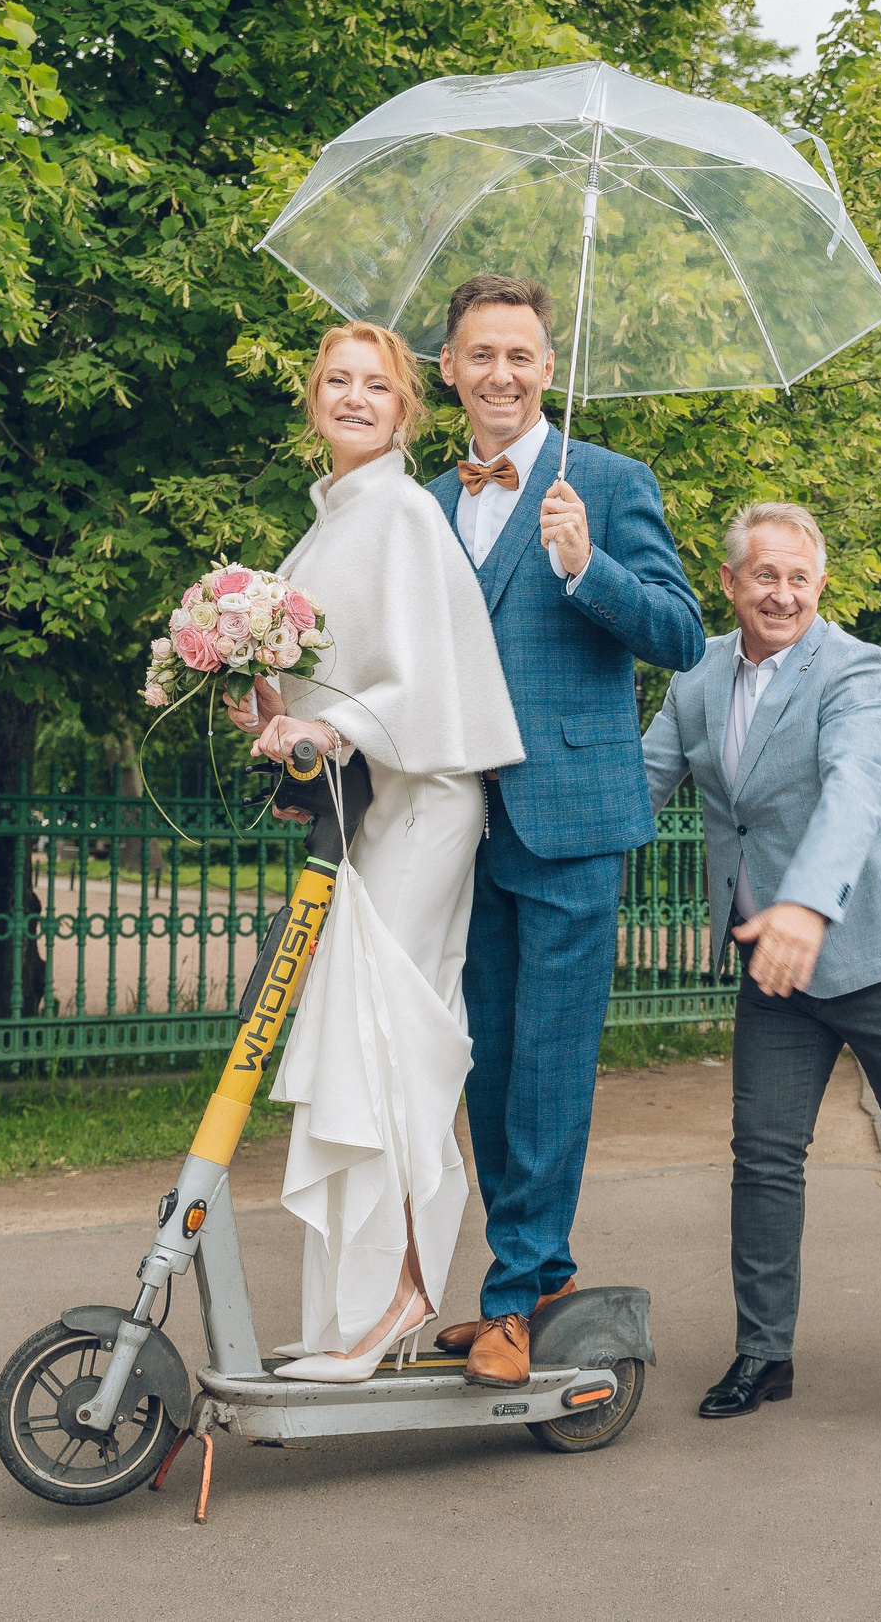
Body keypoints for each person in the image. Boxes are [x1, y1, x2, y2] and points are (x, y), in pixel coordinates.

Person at [645, 502, 881, 1435]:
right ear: (729, 583)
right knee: (764, 1159)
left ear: (820, 585)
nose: (784, 593)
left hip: (878, 939)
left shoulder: (855, 666)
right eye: (765, 575)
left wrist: (805, 906)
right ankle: (765, 1352)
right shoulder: (694, 679)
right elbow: (634, 787)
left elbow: (855, 788)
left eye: (800, 578)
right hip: (773, 959)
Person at [418, 274, 707, 1387]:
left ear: (550, 368)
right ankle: (532, 1280)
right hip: (456, 817)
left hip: (574, 818)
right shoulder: (429, 502)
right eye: (479, 355)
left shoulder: (610, 481)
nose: (501, 373)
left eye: (521, 356)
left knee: (547, 1064)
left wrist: (590, 567)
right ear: (449, 368)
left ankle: (513, 1292)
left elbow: (681, 635)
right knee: (484, 1067)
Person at [222, 321, 526, 1382]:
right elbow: (329, 683)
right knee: (360, 1035)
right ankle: (346, 1306)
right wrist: (263, 701)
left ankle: (391, 1295)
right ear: (314, 399)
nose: (354, 399)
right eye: (337, 383)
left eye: (376, 387)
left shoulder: (399, 511)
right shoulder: (325, 527)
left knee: (390, 1037)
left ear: (406, 409)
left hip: (424, 799)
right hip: (367, 806)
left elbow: (412, 683)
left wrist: (327, 727)